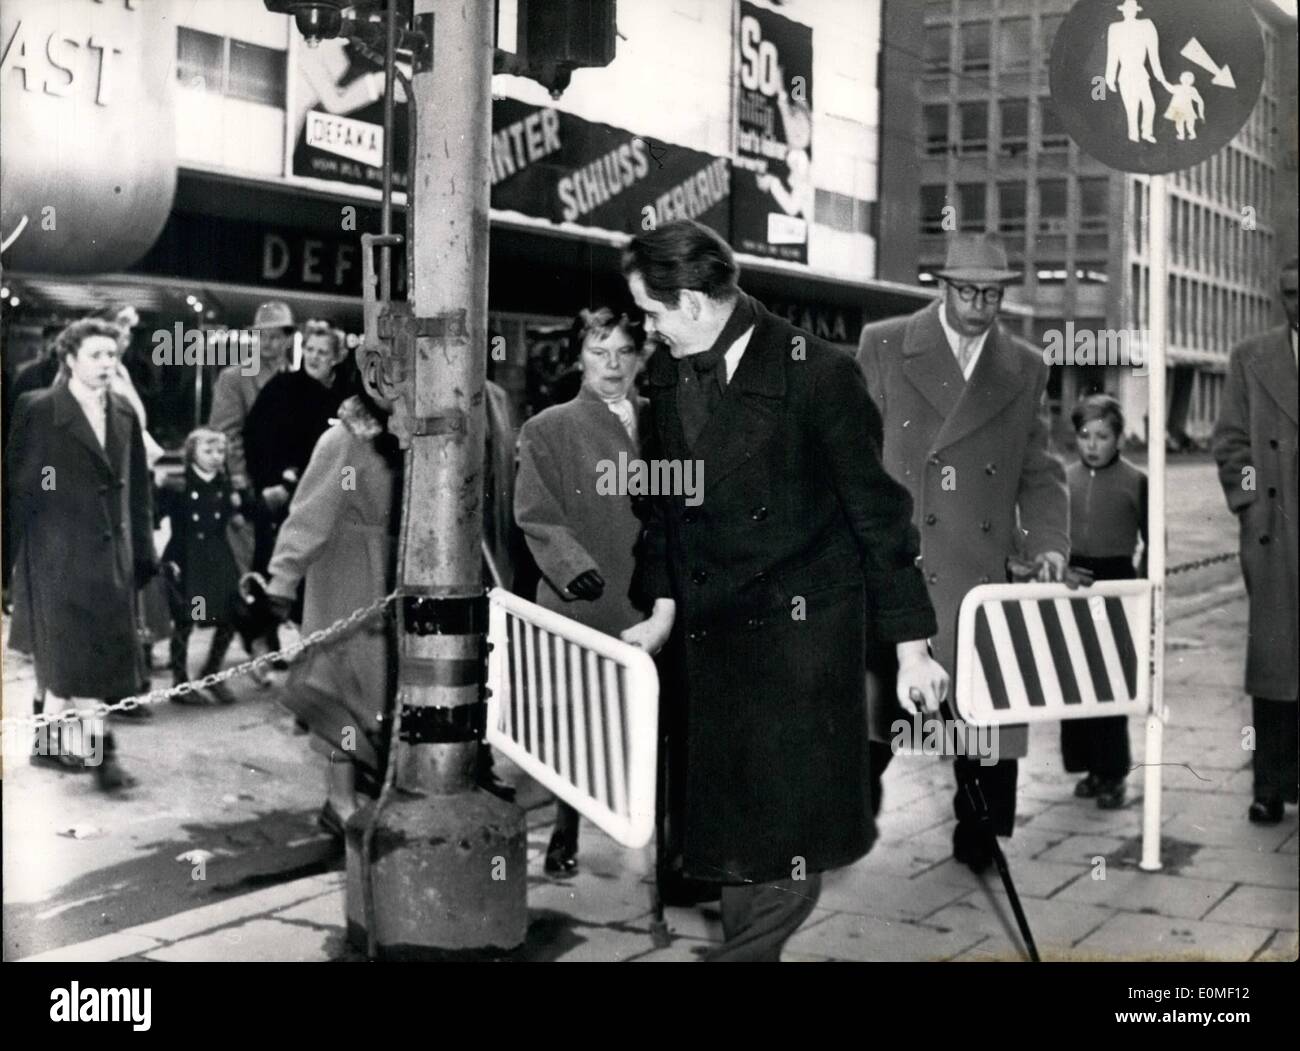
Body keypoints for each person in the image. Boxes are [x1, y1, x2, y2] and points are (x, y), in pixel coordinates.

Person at [621, 219, 947, 961]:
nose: (647, 327)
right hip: (710, 639)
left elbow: (879, 516)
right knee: (739, 845)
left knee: (787, 845)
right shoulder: (669, 375)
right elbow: (663, 506)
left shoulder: (817, 373)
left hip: (798, 646)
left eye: (653, 311)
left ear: (697, 304)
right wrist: (663, 609)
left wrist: (914, 650)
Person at [856, 232, 1069, 875]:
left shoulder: (1027, 365)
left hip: (982, 572)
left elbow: (1038, 468)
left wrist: (1051, 542)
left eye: (993, 294)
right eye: (968, 290)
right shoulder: (884, 343)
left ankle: (979, 833)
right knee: (878, 711)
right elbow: (855, 452)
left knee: (987, 713)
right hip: (902, 558)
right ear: (942, 287)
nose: (980, 304)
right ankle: (846, 817)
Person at [514, 306, 649, 876]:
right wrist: (570, 565)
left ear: (641, 356)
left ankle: (646, 827)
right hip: (584, 599)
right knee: (575, 717)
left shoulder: (667, 421)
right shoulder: (549, 428)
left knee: (642, 719)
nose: (612, 365)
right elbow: (535, 512)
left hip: (650, 598)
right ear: (578, 358)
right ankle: (565, 829)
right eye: (599, 352)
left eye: (623, 351)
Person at [5, 318, 158, 790]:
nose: (107, 363)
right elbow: (18, 489)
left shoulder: (124, 413)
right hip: (57, 555)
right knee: (77, 657)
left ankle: (48, 748)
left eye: (112, 355)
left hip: (112, 554)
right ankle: (101, 757)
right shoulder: (40, 409)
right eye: (96, 354)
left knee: (82, 658)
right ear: (69, 359)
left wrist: (144, 552)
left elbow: (138, 493)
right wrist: (9, 565)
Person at [263, 386, 402, 834]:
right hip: (350, 579)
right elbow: (309, 515)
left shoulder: (414, 430)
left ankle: (374, 790)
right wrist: (282, 579)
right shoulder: (344, 439)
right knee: (343, 692)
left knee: (384, 694)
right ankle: (339, 801)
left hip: (398, 578)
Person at [1212, 257, 1299, 825]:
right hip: (1277, 537)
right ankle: (1270, 785)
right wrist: (1251, 505)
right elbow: (1232, 444)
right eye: (1291, 293)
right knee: (1275, 666)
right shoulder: (1251, 357)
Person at [1062, 394, 1147, 809]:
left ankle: (1113, 773)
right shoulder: (1064, 478)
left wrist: (1145, 589)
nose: (1093, 445)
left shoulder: (1136, 480)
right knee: (1075, 679)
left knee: (1109, 682)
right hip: (1073, 583)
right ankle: (1089, 767)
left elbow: (1153, 541)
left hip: (1117, 583)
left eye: (1102, 436)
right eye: (1085, 436)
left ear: (1118, 439)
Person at [156, 428, 245, 706]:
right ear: (192, 453)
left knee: (230, 615)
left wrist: (242, 507)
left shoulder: (226, 484)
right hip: (188, 559)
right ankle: (180, 684)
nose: (216, 457)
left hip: (217, 558)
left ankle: (212, 673)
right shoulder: (178, 484)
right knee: (187, 619)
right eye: (208, 451)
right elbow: (155, 514)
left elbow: (238, 515)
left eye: (220, 452)